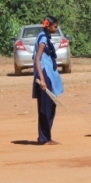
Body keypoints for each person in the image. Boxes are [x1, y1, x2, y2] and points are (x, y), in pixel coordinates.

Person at [33, 16, 64, 145]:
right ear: (49, 26)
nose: (56, 28)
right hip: (44, 75)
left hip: (48, 74)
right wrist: (42, 79)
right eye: (55, 26)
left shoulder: (45, 36)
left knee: (50, 106)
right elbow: (37, 59)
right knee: (45, 108)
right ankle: (44, 138)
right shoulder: (43, 38)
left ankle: (46, 136)